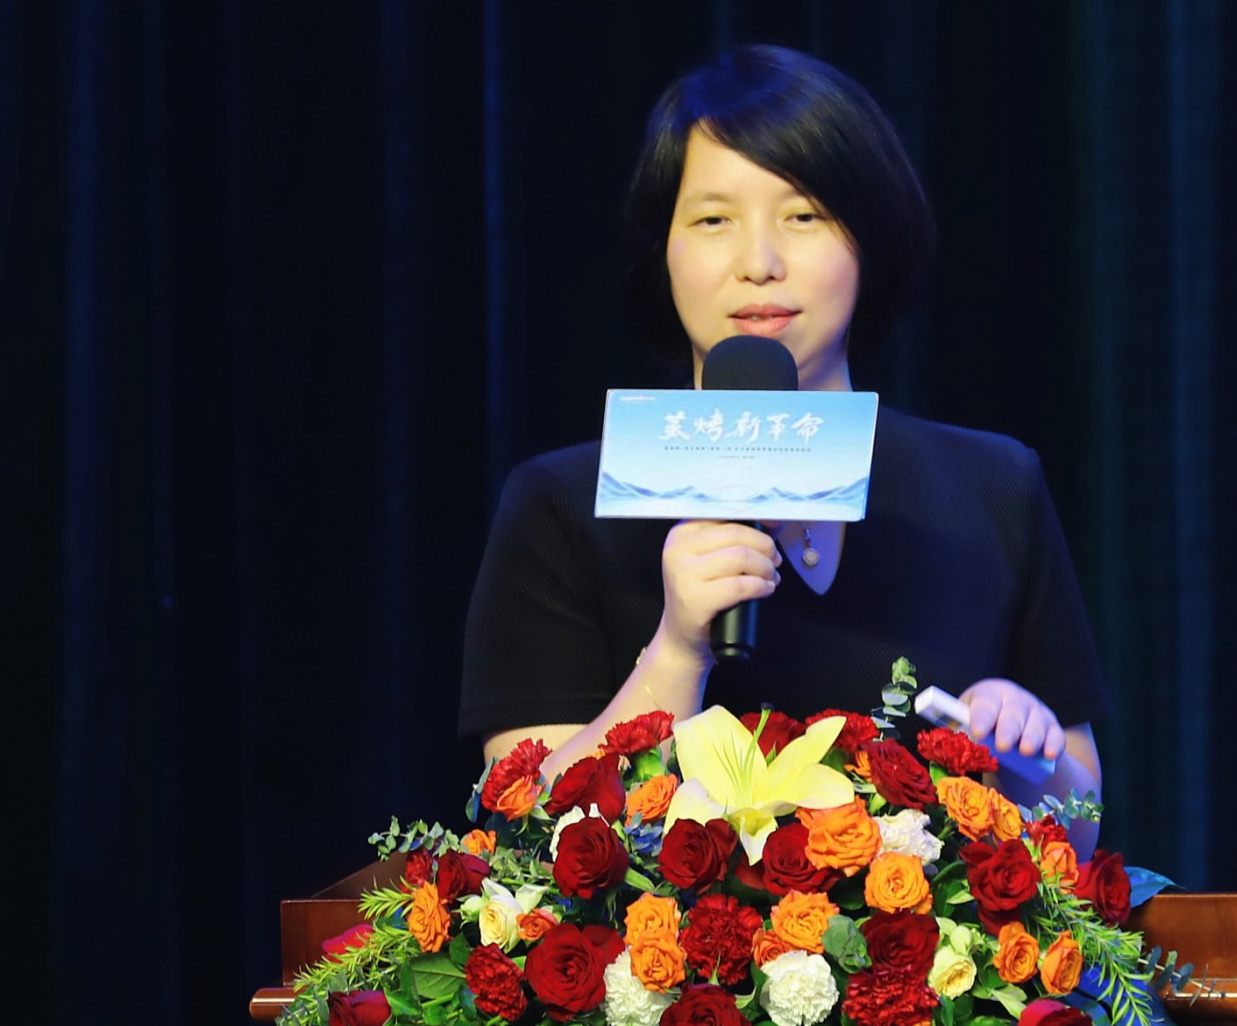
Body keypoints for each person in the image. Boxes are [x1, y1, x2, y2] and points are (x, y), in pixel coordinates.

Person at [459, 45, 1108, 849]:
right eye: (713, 220)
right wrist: (676, 651)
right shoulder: (560, 504)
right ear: (663, 248)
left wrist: (1025, 756)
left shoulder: (992, 485)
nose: (759, 264)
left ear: (869, 238)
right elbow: (518, 832)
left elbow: (1081, 833)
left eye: (803, 216)